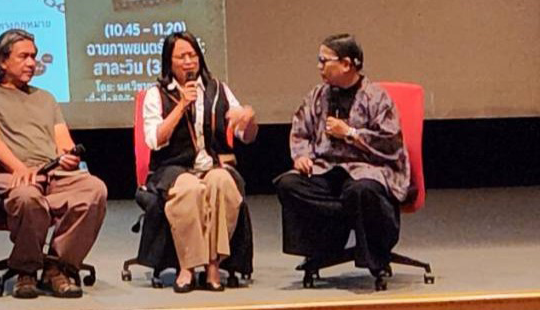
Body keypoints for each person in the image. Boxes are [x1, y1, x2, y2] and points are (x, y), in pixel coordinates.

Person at [0, 30, 107, 299]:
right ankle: (26, 271)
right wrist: (20, 169)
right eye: (24, 56)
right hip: (10, 173)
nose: (32, 62)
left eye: (34, 56)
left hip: (52, 171)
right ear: (2, 61)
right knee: (27, 197)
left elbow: (63, 142)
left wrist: (69, 158)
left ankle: (57, 267)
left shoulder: (46, 98)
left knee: (94, 189)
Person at [275, 34, 410, 280]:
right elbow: (300, 131)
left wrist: (350, 133)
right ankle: (325, 246)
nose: (319, 67)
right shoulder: (317, 96)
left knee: (360, 191)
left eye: (324, 61)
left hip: (367, 169)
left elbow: (391, 141)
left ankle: (375, 257)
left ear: (346, 64)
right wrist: (301, 156)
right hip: (326, 169)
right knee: (289, 184)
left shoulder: (376, 97)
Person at [141, 32, 258, 292]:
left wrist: (249, 119)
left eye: (192, 55)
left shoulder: (218, 90)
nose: (188, 62)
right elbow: (155, 140)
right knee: (190, 190)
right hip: (173, 168)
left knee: (222, 183)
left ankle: (213, 264)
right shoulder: (156, 94)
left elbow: (246, 135)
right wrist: (182, 105)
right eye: (181, 57)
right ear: (169, 62)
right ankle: (188, 266)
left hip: (212, 165)